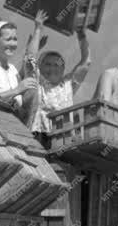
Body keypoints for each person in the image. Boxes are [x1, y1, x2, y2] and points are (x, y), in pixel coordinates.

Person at [27, 13, 91, 147]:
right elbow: (30, 59)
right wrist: (38, 29)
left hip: (63, 137)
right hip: (39, 135)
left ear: (63, 69)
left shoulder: (68, 84)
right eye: (47, 64)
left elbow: (86, 63)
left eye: (56, 65)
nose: (52, 68)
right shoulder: (37, 82)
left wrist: (81, 35)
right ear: (40, 66)